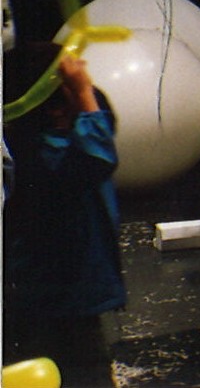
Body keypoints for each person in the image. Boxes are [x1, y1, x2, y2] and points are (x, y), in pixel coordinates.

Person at [2, 50, 126, 387]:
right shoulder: (49, 154)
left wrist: (78, 91)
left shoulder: (37, 144)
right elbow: (98, 155)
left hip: (57, 297)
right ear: (55, 108)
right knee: (82, 375)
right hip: (63, 301)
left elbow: (103, 126)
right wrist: (82, 91)